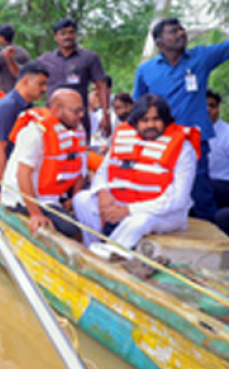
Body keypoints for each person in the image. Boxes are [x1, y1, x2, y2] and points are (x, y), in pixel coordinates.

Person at [73, 95, 199, 268]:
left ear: (166, 120)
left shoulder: (184, 148)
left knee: (139, 221)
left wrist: (127, 211)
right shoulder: (125, 138)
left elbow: (178, 200)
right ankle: (93, 248)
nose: (150, 125)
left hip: (162, 213)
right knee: (82, 199)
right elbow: (104, 170)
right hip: (124, 203)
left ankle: (106, 258)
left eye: (156, 119)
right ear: (136, 122)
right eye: (144, 120)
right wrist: (103, 192)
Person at [133, 17, 229, 222]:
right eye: (173, 31)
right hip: (161, 140)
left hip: (195, 139)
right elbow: (138, 108)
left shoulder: (201, 57)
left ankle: (213, 240)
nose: (181, 33)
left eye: (181, 30)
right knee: (161, 186)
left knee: (199, 189)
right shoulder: (146, 70)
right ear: (160, 42)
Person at [1, 89, 87, 237]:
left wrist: (73, 199)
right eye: (76, 111)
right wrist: (35, 213)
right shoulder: (34, 132)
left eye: (82, 110)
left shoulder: (76, 131)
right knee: (71, 229)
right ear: (56, 109)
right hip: (20, 198)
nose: (81, 115)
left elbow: (81, 169)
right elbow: (22, 173)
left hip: (51, 196)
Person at [0, 62, 49, 191]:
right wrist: (5, 187)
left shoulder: (28, 106)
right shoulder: (6, 107)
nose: (44, 89)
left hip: (12, 166)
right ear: (26, 81)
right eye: (41, 84)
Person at [36, 18, 108, 139]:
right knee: (52, 152)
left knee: (80, 154)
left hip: (79, 118)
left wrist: (106, 115)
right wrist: (10, 60)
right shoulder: (46, 59)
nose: (67, 36)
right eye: (63, 33)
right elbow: (26, 75)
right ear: (55, 36)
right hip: (53, 117)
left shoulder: (89, 57)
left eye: (71, 32)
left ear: (76, 34)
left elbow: (101, 85)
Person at [0, 23, 31, 93]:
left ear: (2, 38)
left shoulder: (0, 56)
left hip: (7, 92)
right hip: (24, 91)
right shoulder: (24, 53)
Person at [207, 90, 229, 209]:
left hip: (223, 184)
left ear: (218, 108)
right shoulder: (190, 132)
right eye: (203, 106)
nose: (208, 110)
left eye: (212, 106)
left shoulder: (227, 134)